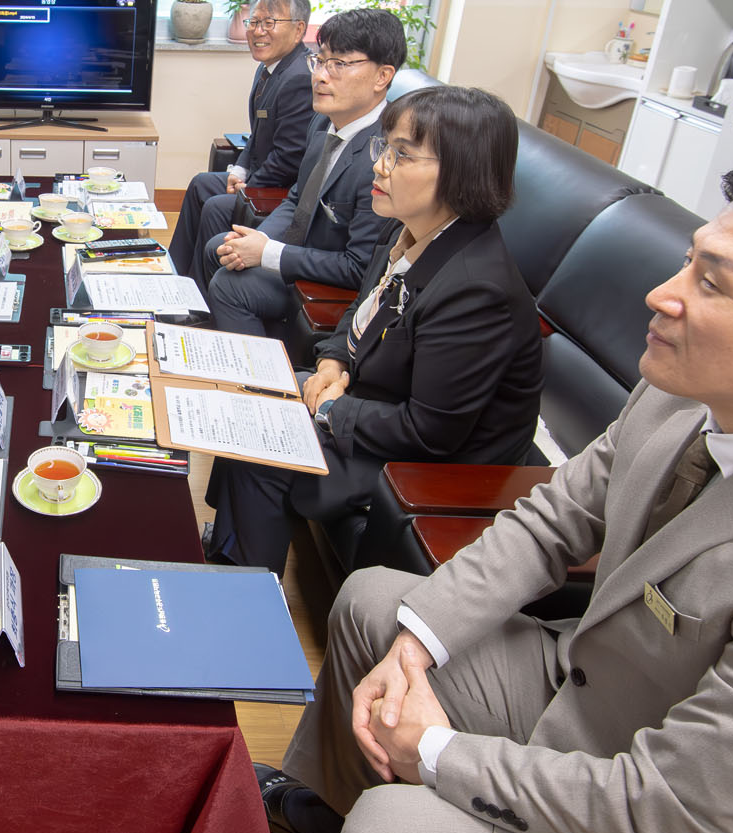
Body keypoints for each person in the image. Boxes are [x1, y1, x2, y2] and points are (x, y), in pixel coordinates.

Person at [255, 152, 733, 833]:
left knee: (392, 823)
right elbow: (551, 521)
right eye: (686, 262)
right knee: (377, 605)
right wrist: (418, 642)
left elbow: (673, 804)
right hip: (585, 680)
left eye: (710, 283)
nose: (661, 294)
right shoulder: (674, 396)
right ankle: (329, 808)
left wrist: (438, 753)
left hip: (657, 792)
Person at [205, 85, 542, 577]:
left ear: (462, 172)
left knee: (264, 447)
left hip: (432, 463)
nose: (379, 166)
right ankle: (231, 546)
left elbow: (430, 433)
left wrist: (332, 408)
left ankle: (248, 592)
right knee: (250, 395)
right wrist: (333, 360)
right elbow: (361, 310)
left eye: (402, 155)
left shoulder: (477, 291)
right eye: (385, 147)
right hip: (375, 401)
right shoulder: (405, 228)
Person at [204, 8, 402, 337]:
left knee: (230, 284)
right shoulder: (323, 121)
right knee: (220, 248)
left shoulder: (382, 158)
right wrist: (259, 240)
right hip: (302, 251)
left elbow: (359, 267)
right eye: (319, 61)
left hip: (332, 282)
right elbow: (298, 198)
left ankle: (259, 368)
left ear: (382, 76)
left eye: (339, 64)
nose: (321, 76)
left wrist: (269, 253)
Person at [167, 0, 319, 275]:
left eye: (269, 23)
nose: (258, 31)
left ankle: (200, 288)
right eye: (254, 22)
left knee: (216, 206)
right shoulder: (270, 67)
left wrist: (250, 187)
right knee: (201, 184)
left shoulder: (299, 78)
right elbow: (258, 133)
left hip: (279, 191)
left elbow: (289, 158)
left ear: (299, 29)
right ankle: (177, 272)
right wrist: (239, 170)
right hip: (262, 177)